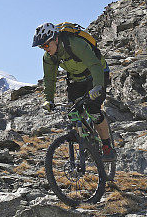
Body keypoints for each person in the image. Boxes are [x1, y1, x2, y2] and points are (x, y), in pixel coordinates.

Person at [32, 22, 115, 160]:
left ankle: (107, 147)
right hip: (76, 78)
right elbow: (49, 79)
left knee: (93, 109)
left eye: (46, 45)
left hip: (97, 73)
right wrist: (48, 99)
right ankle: (85, 144)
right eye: (42, 47)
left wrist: (98, 87)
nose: (44, 49)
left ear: (56, 39)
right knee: (73, 113)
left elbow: (94, 65)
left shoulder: (75, 44)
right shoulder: (49, 57)